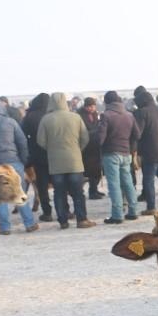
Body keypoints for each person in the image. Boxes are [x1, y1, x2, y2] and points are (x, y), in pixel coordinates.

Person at [37, 92, 94, 229]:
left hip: (55, 163)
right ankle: (82, 219)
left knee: (59, 192)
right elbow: (85, 138)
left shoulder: (46, 119)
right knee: (78, 192)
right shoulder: (76, 117)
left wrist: (52, 149)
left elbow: (41, 141)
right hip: (75, 161)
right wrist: (77, 149)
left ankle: (63, 221)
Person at [0, 97, 38, 234]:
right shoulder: (10, 122)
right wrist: (22, 162)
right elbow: (22, 142)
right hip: (13, 163)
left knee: (0, 196)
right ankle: (29, 224)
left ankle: (5, 227)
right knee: (19, 193)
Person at [97, 91, 140, 224]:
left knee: (114, 184)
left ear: (106, 102)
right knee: (128, 183)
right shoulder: (129, 115)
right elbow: (137, 135)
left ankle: (117, 215)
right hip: (125, 153)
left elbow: (100, 139)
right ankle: (133, 211)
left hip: (111, 154)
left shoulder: (106, 115)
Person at [133, 89, 158, 214]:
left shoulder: (141, 112)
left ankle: (151, 207)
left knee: (148, 180)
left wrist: (136, 148)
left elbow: (138, 133)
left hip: (150, 152)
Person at [21, 93, 53, 221]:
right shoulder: (52, 115)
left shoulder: (29, 116)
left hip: (37, 155)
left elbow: (22, 136)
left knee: (42, 184)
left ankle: (47, 212)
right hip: (54, 154)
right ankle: (64, 211)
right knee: (59, 184)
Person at [76, 97, 104, 199]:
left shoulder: (95, 114)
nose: (92, 108)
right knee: (89, 171)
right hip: (86, 147)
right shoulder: (79, 115)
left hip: (95, 145)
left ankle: (94, 189)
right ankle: (92, 192)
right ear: (86, 106)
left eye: (93, 106)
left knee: (97, 170)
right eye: (90, 106)